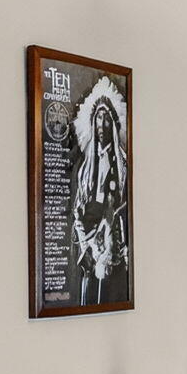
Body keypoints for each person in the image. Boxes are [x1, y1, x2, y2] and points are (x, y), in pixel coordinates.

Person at [71, 85, 129, 305]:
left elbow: (129, 205)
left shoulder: (122, 164)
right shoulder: (86, 168)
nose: (102, 124)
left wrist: (111, 221)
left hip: (113, 241)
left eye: (106, 119)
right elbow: (78, 208)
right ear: (93, 122)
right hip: (89, 243)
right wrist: (86, 243)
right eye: (99, 118)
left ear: (113, 124)